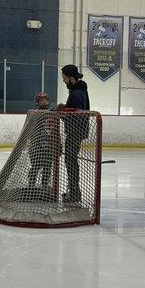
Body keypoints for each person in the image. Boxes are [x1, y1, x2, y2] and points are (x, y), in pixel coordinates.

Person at [59, 64, 90, 203]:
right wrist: (64, 108)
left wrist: (61, 112)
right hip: (76, 131)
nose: (63, 81)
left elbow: (74, 114)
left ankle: (75, 193)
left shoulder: (77, 93)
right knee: (70, 160)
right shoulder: (78, 90)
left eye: (64, 78)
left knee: (70, 161)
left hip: (75, 132)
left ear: (71, 78)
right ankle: (74, 191)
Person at [27, 92, 57, 190]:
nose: (45, 102)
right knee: (36, 166)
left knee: (47, 167)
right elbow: (33, 132)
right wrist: (38, 142)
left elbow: (54, 131)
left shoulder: (52, 114)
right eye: (42, 100)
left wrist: (57, 143)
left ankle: (44, 185)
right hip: (36, 146)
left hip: (49, 146)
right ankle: (31, 184)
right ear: (37, 103)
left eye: (46, 100)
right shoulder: (35, 114)